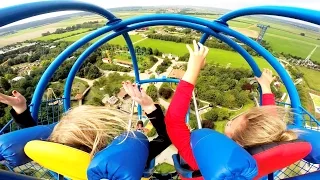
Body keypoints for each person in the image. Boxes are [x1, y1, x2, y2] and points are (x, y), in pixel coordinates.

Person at [165, 40, 298, 178]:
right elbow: (269, 121)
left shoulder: (206, 157)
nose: (230, 119)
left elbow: (174, 120)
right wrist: (265, 87)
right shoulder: (258, 163)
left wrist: (193, 69)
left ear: (240, 142)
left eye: (232, 121)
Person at [0, 81, 171, 167]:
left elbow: (41, 144)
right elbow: (166, 137)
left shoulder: (62, 163)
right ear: (99, 138)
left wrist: (21, 109)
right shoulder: (121, 159)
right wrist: (149, 106)